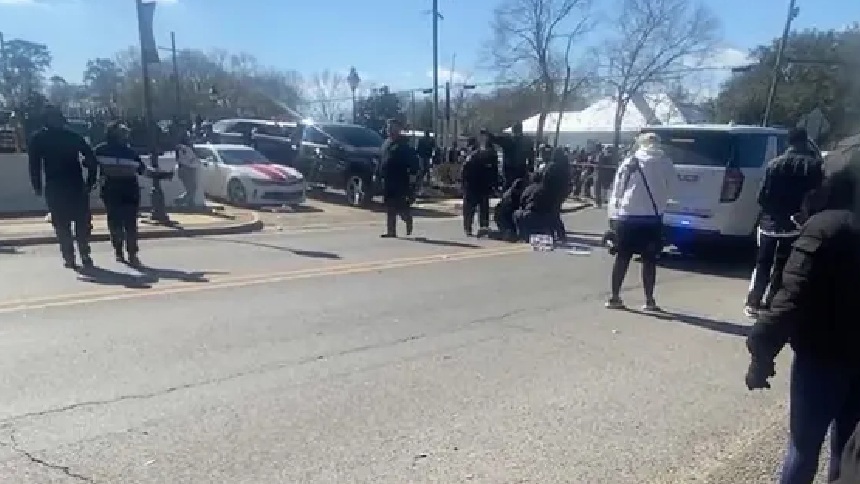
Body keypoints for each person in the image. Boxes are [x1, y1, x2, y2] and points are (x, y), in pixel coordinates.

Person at [745, 154, 860, 484]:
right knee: (848, 450)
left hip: (823, 357)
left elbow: (791, 298)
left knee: (803, 448)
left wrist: (761, 354)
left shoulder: (825, 228)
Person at [744, 127, 824, 318]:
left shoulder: (774, 164)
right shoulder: (814, 166)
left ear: (789, 142)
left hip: (769, 223)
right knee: (783, 265)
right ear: (805, 141)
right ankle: (772, 302)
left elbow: (761, 197)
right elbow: (818, 196)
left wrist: (771, 213)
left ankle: (753, 302)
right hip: (796, 224)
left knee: (762, 263)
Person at [604, 132, 677, 311]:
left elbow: (618, 190)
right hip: (652, 219)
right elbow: (673, 189)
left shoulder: (630, 162)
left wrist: (614, 214)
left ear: (640, 144)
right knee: (649, 260)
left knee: (622, 258)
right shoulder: (665, 163)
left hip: (627, 217)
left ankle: (615, 297)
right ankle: (649, 301)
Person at [28, 105, 98, 269]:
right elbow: (34, 165)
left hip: (71, 185)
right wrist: (37, 185)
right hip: (59, 186)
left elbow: (91, 159)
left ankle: (82, 253)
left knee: (78, 223)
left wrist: (90, 181)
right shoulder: (49, 137)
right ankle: (71, 256)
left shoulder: (53, 137)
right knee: (64, 224)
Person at [94, 122, 147, 266]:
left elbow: (142, 169)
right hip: (112, 190)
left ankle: (131, 252)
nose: (125, 134)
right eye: (122, 131)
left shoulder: (130, 152)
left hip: (128, 190)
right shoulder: (101, 150)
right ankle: (120, 250)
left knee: (129, 223)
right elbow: (90, 165)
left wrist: (160, 174)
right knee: (117, 222)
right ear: (113, 133)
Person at [379, 118, 419, 238]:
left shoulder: (404, 144)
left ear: (398, 129)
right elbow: (382, 159)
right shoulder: (386, 143)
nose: (389, 130)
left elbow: (413, 162)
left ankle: (407, 218)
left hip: (400, 179)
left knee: (400, 205)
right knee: (389, 206)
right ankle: (391, 231)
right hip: (387, 179)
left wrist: (413, 178)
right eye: (388, 127)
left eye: (392, 127)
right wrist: (378, 174)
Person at [461, 130, 498, 237]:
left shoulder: (473, 156)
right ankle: (481, 227)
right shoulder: (486, 155)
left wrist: (464, 184)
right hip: (479, 185)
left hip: (474, 185)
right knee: (481, 208)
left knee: (472, 208)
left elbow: (464, 171)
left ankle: (471, 228)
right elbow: (493, 172)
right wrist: (493, 185)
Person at [513, 171, 556, 241]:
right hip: (540, 215)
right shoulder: (545, 189)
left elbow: (521, 202)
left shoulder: (527, 189)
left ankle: (522, 237)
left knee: (517, 214)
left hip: (526, 214)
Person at [490, 122, 534, 190]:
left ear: (512, 130)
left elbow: (495, 139)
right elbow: (531, 156)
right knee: (520, 188)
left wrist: (487, 132)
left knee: (508, 188)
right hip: (521, 169)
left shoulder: (508, 140)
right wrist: (530, 168)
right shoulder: (527, 141)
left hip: (509, 170)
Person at [543, 147, 573, 243]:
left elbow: (545, 179)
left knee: (552, 214)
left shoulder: (552, 166)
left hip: (551, 193)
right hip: (560, 193)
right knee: (554, 214)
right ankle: (558, 234)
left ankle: (556, 233)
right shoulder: (565, 165)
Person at [174, 131, 201, 208]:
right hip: (186, 169)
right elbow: (185, 160)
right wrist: (193, 161)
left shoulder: (186, 148)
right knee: (191, 188)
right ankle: (179, 200)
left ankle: (190, 203)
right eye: (189, 138)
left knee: (193, 188)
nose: (191, 139)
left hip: (189, 168)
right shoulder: (183, 148)